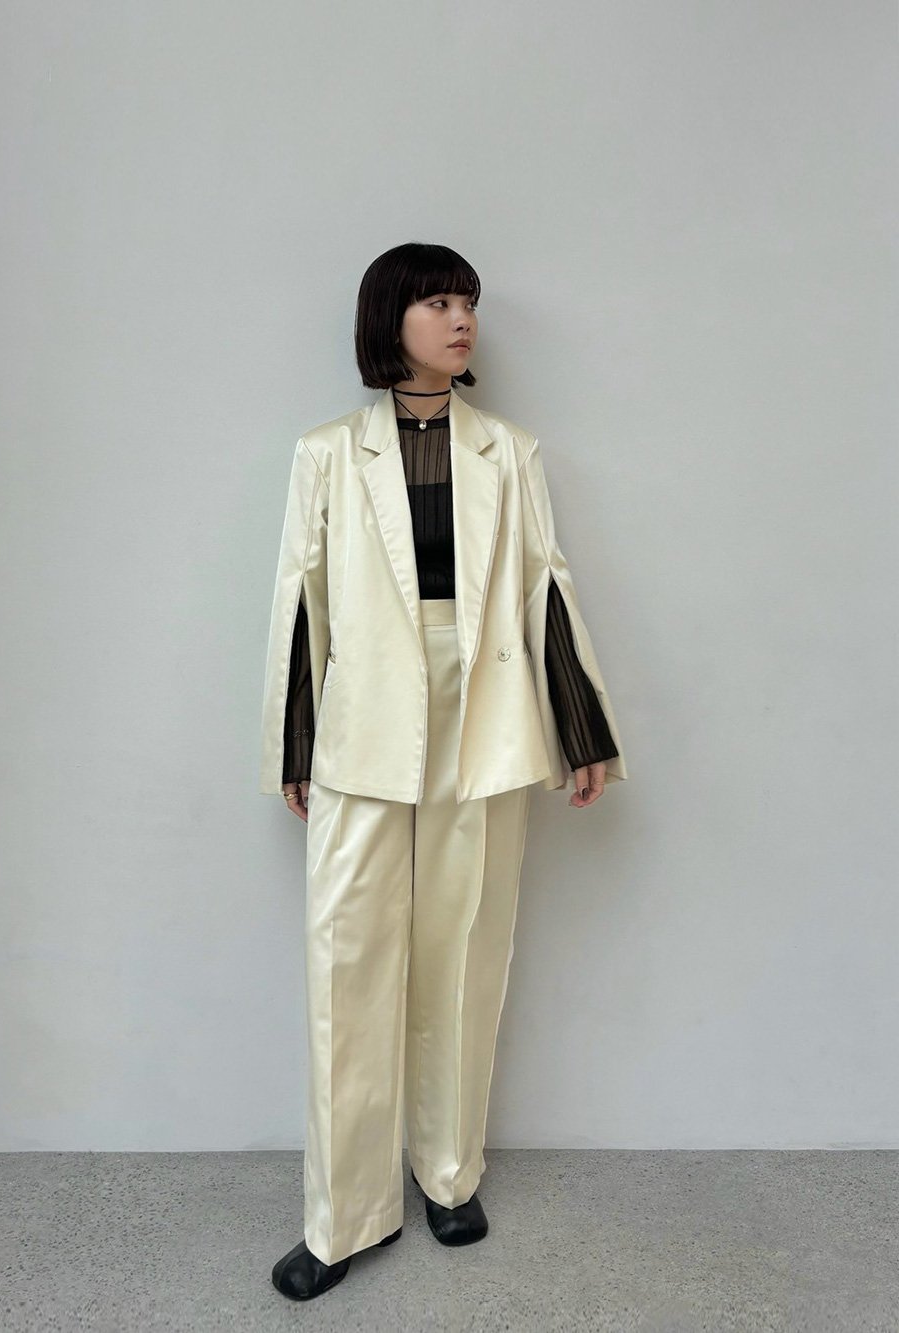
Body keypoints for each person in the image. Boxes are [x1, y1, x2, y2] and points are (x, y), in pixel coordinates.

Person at [259, 242, 628, 1300]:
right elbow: (301, 602)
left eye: (467, 301)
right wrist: (296, 745)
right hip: (363, 716)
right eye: (437, 301)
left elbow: (544, 585)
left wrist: (581, 730)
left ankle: (449, 1173)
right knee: (349, 958)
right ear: (391, 318)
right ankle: (344, 1216)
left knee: (466, 945)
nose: (461, 318)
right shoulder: (329, 452)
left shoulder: (509, 449)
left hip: (487, 708)